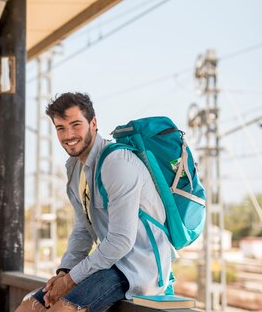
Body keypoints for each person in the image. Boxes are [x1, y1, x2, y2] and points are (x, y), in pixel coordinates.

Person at [14, 92, 173, 312]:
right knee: (28, 307)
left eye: (76, 125)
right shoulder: (74, 168)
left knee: (62, 310)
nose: (68, 135)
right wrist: (64, 272)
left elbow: (120, 241)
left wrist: (70, 281)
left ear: (93, 123)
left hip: (137, 268)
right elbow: (82, 230)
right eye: (61, 128)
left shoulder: (117, 163)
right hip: (106, 264)